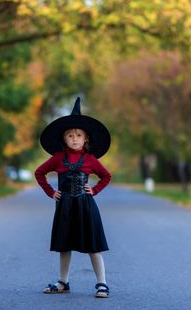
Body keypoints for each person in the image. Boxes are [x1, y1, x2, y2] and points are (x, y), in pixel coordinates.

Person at [35, 97, 112, 298]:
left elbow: (106, 176)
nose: (75, 138)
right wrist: (51, 192)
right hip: (65, 206)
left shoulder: (90, 160)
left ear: (86, 138)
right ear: (64, 139)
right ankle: (63, 281)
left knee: (93, 245)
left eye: (78, 135)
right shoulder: (58, 159)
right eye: (70, 135)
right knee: (64, 244)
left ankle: (102, 283)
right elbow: (39, 172)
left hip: (86, 206)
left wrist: (94, 190)